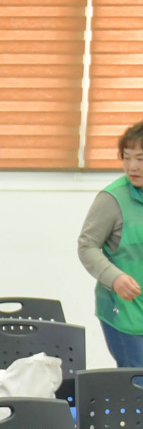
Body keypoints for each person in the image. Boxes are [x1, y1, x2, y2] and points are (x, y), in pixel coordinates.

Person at [80, 121, 143, 365]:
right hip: (124, 311)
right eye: (127, 158)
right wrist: (114, 278)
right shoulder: (112, 199)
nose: (132, 166)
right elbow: (87, 246)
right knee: (136, 382)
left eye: (140, 159)